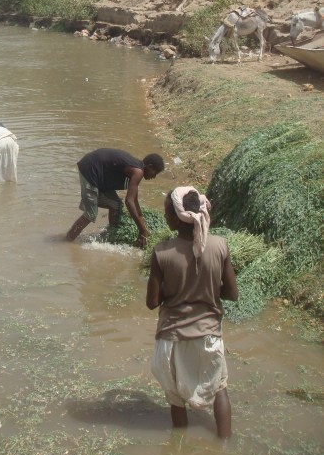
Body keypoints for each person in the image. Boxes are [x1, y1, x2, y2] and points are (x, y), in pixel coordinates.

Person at [146, 186, 238, 439]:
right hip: (208, 335)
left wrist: (171, 287)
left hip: (172, 338)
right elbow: (232, 294)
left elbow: (152, 302)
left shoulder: (161, 252)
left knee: (176, 399)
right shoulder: (220, 246)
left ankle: (178, 449)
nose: (164, 217)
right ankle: (225, 446)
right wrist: (206, 285)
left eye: (166, 213)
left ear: (177, 219)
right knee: (220, 389)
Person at [66, 148, 165, 245]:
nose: (154, 177)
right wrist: (142, 230)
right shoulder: (138, 172)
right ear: (150, 166)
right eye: (155, 173)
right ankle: (68, 240)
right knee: (90, 214)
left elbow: (135, 201)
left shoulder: (137, 170)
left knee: (115, 204)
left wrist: (143, 225)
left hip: (99, 174)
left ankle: (111, 235)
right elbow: (129, 202)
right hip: (90, 169)